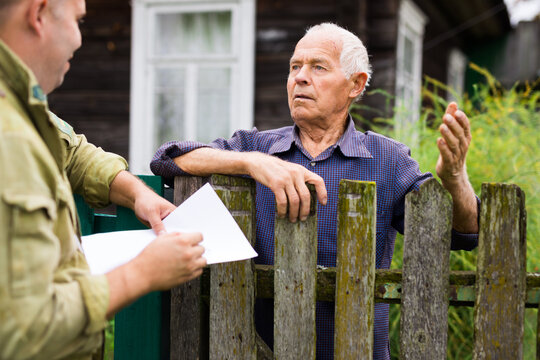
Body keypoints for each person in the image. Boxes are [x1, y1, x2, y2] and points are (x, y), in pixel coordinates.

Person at [151, 23, 479, 360]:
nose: (300, 78)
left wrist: (455, 179)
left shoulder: (387, 160)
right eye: (295, 67)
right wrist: (250, 163)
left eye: (318, 67)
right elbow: (167, 158)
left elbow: (461, 234)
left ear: (356, 84)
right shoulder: (256, 146)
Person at [0, 0, 207, 358]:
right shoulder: (9, 135)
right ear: (38, 14)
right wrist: (141, 273)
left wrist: (137, 193)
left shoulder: (20, 109)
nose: (80, 40)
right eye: (78, 21)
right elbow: (25, 331)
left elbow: (73, 151)